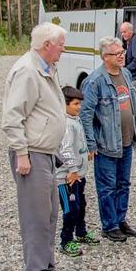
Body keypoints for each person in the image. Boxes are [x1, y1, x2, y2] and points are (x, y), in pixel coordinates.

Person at [1, 22, 71, 271]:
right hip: (32, 154)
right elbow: (12, 118)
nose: (64, 49)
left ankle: (47, 265)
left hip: (46, 153)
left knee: (51, 213)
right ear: (47, 45)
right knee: (35, 217)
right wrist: (22, 154)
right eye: (61, 44)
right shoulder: (27, 72)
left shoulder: (46, 68)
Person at [80, 36, 136, 243]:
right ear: (105, 57)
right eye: (117, 54)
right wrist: (90, 143)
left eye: (122, 52)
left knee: (124, 183)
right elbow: (85, 114)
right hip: (106, 144)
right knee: (107, 186)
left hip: (126, 141)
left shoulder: (125, 73)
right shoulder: (95, 81)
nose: (122, 56)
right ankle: (110, 225)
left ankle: (120, 219)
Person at [55, 85, 99, 257]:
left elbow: (78, 142)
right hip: (67, 178)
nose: (79, 107)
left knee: (81, 205)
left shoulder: (75, 119)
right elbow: (65, 149)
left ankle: (81, 232)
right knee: (70, 209)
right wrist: (72, 169)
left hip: (78, 175)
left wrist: (86, 151)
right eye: (75, 104)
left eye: (80, 104)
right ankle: (65, 240)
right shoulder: (66, 124)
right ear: (64, 104)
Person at [120, 21, 136, 120]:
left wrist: (125, 69)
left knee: (129, 94)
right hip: (133, 74)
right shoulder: (129, 41)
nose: (122, 34)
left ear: (131, 31)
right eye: (121, 32)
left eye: (124, 32)